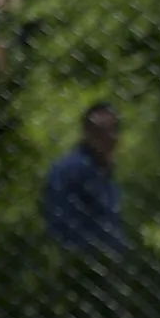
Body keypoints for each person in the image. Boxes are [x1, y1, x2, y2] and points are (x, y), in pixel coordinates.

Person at [42, 102, 128, 258]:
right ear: (87, 133)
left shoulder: (106, 173)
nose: (108, 137)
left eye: (113, 129)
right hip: (80, 260)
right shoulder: (68, 169)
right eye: (100, 131)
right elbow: (60, 223)